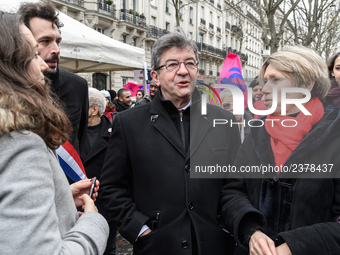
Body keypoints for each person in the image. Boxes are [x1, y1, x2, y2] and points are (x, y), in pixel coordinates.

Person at [98, 29, 241, 255]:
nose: (183, 71)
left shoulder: (224, 120)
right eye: (172, 64)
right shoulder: (129, 123)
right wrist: (140, 229)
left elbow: (235, 185)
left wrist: (225, 228)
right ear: (155, 76)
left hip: (214, 246)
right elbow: (111, 188)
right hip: (157, 247)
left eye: (190, 63)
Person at [0, 11, 108, 254]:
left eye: (58, 41)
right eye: (34, 52)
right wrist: (93, 221)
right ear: (9, 63)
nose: (42, 64)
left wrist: (60, 198)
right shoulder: (20, 142)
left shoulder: (77, 86)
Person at [221, 46, 340, 255]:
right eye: (265, 80)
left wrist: (296, 246)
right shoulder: (256, 135)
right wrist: (251, 230)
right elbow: (233, 192)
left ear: (307, 84)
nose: (264, 88)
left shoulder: (334, 135)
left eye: (275, 80)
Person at [18, 0, 89, 155]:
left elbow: (81, 139)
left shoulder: (78, 86)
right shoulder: (11, 87)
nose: (56, 50)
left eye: (57, 41)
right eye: (45, 41)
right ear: (24, 43)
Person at [81, 88, 116, 255]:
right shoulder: (71, 132)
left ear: (94, 110)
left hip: (105, 202)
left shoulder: (116, 132)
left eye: (83, 105)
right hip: (77, 200)